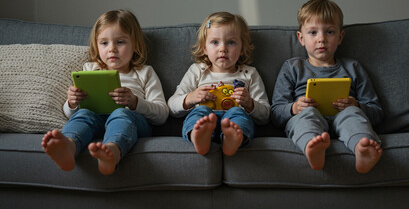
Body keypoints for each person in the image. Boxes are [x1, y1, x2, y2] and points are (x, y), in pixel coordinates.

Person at [41, 9, 169, 175]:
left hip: (133, 122)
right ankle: (69, 146)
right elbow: (70, 114)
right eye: (104, 43)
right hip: (97, 120)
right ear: (96, 45)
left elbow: (162, 115)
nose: (112, 49)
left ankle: (112, 151)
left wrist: (134, 102)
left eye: (120, 42)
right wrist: (72, 103)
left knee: (121, 113)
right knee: (84, 114)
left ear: (135, 45)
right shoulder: (90, 69)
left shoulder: (145, 72)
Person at [271, 0, 383, 174]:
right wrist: (294, 107)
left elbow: (376, 112)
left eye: (329, 32)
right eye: (313, 32)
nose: (321, 39)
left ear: (340, 37)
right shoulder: (292, 68)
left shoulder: (353, 67)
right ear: (301, 38)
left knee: (352, 114)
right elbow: (275, 112)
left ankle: (362, 149)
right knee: (306, 115)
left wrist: (356, 105)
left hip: (344, 117)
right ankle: (312, 147)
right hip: (308, 116)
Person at [168, 12, 270, 156]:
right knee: (199, 113)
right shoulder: (198, 70)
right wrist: (190, 98)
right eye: (215, 42)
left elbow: (265, 115)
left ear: (241, 49)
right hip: (206, 116)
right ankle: (198, 137)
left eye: (231, 42)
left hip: (233, 118)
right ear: (205, 48)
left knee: (238, 113)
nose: (223, 48)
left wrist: (250, 104)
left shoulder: (249, 73)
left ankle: (232, 140)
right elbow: (171, 105)